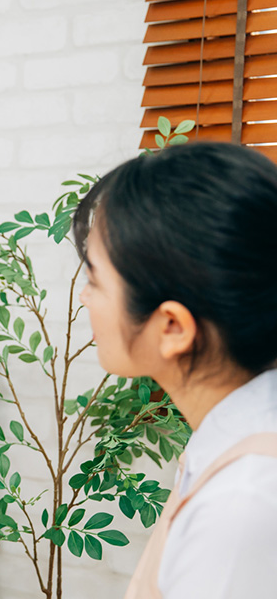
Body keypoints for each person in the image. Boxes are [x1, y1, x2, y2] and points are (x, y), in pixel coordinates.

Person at [72, 142, 277, 599]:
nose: (84, 298)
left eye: (94, 280)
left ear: (171, 327)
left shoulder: (243, 504)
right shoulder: (230, 440)